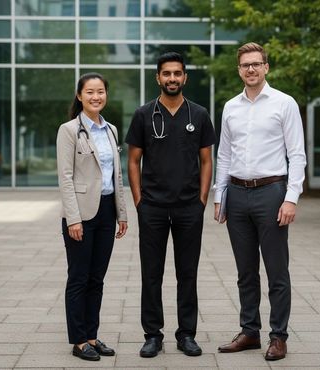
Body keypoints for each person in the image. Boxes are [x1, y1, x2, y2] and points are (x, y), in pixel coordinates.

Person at [214, 42, 306, 361]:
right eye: (245, 65)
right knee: (245, 271)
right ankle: (250, 332)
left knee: (276, 270)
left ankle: (278, 336)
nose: (250, 69)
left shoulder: (284, 104)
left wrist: (291, 198)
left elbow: (297, 155)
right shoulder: (230, 107)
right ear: (238, 70)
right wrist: (219, 195)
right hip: (237, 195)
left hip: (272, 193)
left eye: (256, 64)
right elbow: (224, 154)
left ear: (266, 66)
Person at [125, 52, 216, 358]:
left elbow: (207, 161)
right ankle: (153, 335)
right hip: (152, 208)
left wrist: (202, 200)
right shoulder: (143, 114)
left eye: (177, 73)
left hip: (189, 207)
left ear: (185, 77)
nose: (172, 78)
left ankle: (186, 334)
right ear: (158, 78)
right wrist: (139, 202)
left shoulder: (199, 115)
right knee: (151, 273)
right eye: (167, 73)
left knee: (187, 273)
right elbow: (133, 161)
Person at [56, 72, 128, 361]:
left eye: (100, 92)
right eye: (90, 92)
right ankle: (78, 340)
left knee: (97, 279)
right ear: (80, 96)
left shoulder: (110, 129)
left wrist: (122, 213)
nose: (96, 97)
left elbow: (116, 175)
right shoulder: (69, 130)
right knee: (79, 278)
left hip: (107, 211)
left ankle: (92, 335)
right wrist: (73, 219)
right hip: (82, 214)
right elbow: (65, 177)